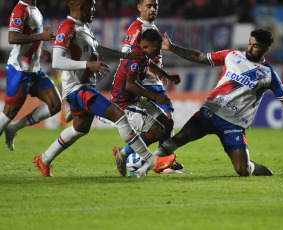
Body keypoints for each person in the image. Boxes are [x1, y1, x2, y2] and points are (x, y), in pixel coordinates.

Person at [135, 28, 283, 177]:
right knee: (181, 137)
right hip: (210, 110)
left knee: (242, 171)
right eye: (250, 43)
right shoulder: (232, 55)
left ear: (266, 49)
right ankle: (145, 166)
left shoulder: (268, 74)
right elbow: (201, 57)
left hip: (233, 124)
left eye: (256, 46)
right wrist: (172, 48)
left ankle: (252, 165)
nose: (250, 48)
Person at [33, 0, 176, 178]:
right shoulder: (67, 28)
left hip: (86, 87)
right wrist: (88, 64)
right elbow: (57, 61)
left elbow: (97, 49)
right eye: (91, 6)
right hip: (76, 88)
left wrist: (126, 55)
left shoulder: (83, 27)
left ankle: (44, 159)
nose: (94, 9)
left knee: (79, 129)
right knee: (118, 115)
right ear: (80, 6)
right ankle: (153, 162)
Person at [112, 0, 184, 173]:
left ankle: (162, 159)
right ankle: (146, 160)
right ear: (139, 7)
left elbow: (146, 59)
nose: (152, 9)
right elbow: (130, 58)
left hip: (147, 81)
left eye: (155, 6)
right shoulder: (137, 29)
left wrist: (165, 75)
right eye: (149, 6)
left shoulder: (150, 29)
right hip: (140, 85)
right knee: (160, 124)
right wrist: (145, 76)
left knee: (167, 121)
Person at [0, 0, 61, 151]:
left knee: (55, 105)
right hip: (20, 69)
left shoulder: (34, 8)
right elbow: (12, 38)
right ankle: (8, 127)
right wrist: (41, 36)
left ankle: (13, 129)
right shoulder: (20, 10)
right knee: (9, 112)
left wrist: (41, 51)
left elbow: (30, 36)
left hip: (35, 69)